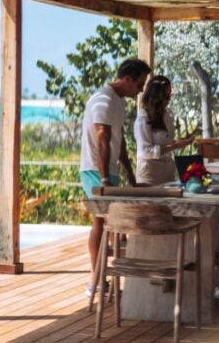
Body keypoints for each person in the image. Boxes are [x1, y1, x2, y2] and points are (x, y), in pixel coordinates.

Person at [80, 57, 151, 296]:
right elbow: (102, 137)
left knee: (109, 224)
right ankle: (96, 280)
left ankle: (104, 278)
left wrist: (130, 175)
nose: (141, 90)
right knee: (101, 222)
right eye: (139, 84)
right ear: (127, 79)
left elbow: (118, 143)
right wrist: (103, 179)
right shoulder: (104, 99)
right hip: (94, 169)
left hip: (108, 170)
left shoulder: (118, 101)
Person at [134, 75, 196, 185]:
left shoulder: (168, 114)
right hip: (150, 176)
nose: (169, 100)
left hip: (168, 174)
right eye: (165, 96)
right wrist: (175, 145)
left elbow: (167, 143)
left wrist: (180, 142)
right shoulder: (143, 118)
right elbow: (145, 151)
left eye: (170, 96)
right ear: (155, 96)